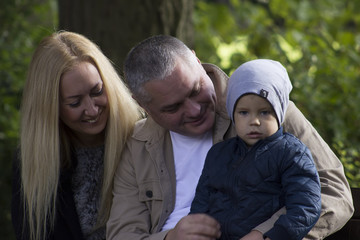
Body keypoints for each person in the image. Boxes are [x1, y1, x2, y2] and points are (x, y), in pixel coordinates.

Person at [106, 35, 354, 240]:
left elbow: (334, 192)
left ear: (196, 60)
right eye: (173, 108)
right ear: (143, 106)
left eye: (195, 90)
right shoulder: (139, 144)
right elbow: (123, 233)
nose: (194, 110)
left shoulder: (268, 113)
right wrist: (171, 238)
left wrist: (266, 234)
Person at [11, 31, 142, 240]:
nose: (91, 110)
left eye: (97, 91)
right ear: (50, 109)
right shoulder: (34, 165)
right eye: (75, 103)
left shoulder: (142, 139)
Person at [190, 59, 322, 240]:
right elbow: (202, 202)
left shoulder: (292, 154)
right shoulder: (218, 154)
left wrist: (272, 236)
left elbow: (305, 206)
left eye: (264, 112)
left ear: (280, 112)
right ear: (232, 114)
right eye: (244, 112)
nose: (254, 121)